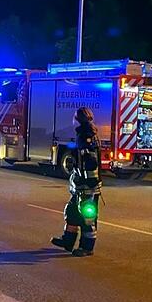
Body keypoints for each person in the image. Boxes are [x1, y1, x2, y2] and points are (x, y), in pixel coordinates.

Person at [50, 107, 102, 257]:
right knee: (72, 211)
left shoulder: (87, 135)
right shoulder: (85, 133)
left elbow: (91, 161)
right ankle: (68, 241)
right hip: (81, 185)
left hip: (88, 186)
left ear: (78, 119)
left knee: (88, 217)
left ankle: (87, 247)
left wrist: (88, 180)